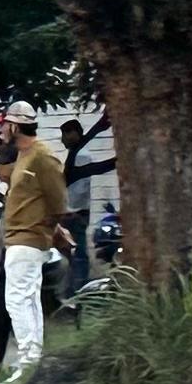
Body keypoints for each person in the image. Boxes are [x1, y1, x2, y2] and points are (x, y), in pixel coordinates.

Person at [0, 105, 66, 380]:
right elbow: (7, 178)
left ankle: (28, 359)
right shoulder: (24, 156)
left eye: (3, 125)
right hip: (20, 238)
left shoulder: (42, 156)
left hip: (28, 237)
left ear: (15, 126)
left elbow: (57, 201)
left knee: (18, 300)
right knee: (27, 299)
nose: (0, 130)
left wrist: (50, 229)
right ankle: (32, 359)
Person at [60, 117, 113, 279]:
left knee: (78, 252)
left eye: (65, 134)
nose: (62, 139)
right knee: (75, 252)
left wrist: (71, 210)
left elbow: (81, 188)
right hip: (76, 211)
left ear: (75, 134)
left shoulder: (81, 155)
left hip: (75, 212)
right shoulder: (76, 154)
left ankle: (79, 284)